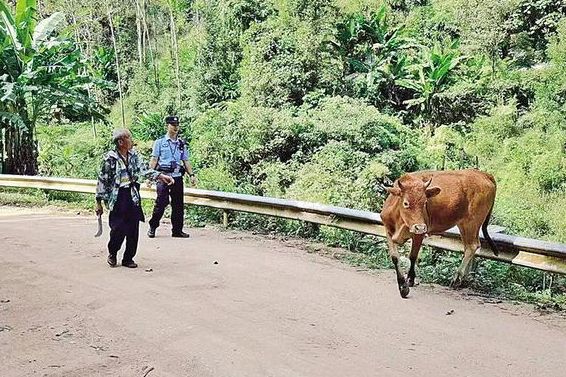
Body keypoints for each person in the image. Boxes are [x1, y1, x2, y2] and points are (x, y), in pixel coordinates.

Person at [95, 129, 174, 268]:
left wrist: (161, 176)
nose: (132, 141)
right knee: (118, 228)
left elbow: (144, 170)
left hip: (132, 194)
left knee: (133, 228)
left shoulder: (134, 155)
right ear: (121, 142)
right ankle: (112, 253)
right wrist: (98, 202)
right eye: (129, 138)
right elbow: (103, 180)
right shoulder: (110, 159)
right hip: (117, 196)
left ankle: (128, 258)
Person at [147, 115, 197, 238]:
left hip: (177, 176)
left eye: (177, 125)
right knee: (161, 203)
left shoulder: (181, 144)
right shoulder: (159, 143)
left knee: (178, 204)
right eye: (173, 125)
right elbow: (154, 160)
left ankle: (177, 230)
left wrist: (192, 175)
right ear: (167, 126)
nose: (176, 127)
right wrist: (150, 177)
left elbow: (186, 161)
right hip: (163, 176)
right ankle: (153, 226)